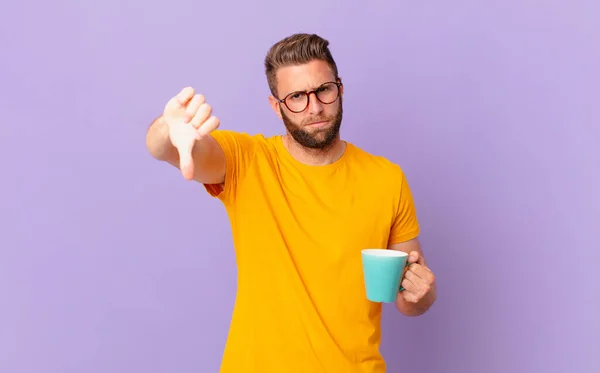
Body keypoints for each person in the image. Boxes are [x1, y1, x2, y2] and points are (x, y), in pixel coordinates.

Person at [145, 33, 437, 373]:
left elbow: (408, 299)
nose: (314, 108)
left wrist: (423, 292)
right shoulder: (248, 161)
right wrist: (168, 128)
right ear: (276, 105)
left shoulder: (386, 178)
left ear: (339, 89)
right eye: (297, 96)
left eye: (324, 90)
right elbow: (163, 147)